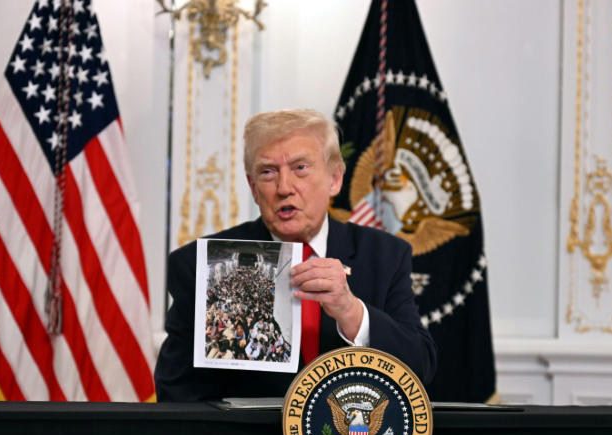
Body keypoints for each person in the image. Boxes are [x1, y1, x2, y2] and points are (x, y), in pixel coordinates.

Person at [155, 109, 436, 401]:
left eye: (300, 168)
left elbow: (420, 367)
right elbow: (175, 394)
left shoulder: (385, 256)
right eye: (268, 172)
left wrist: (351, 312)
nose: (284, 188)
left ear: (334, 179)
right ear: (253, 188)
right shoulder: (199, 265)